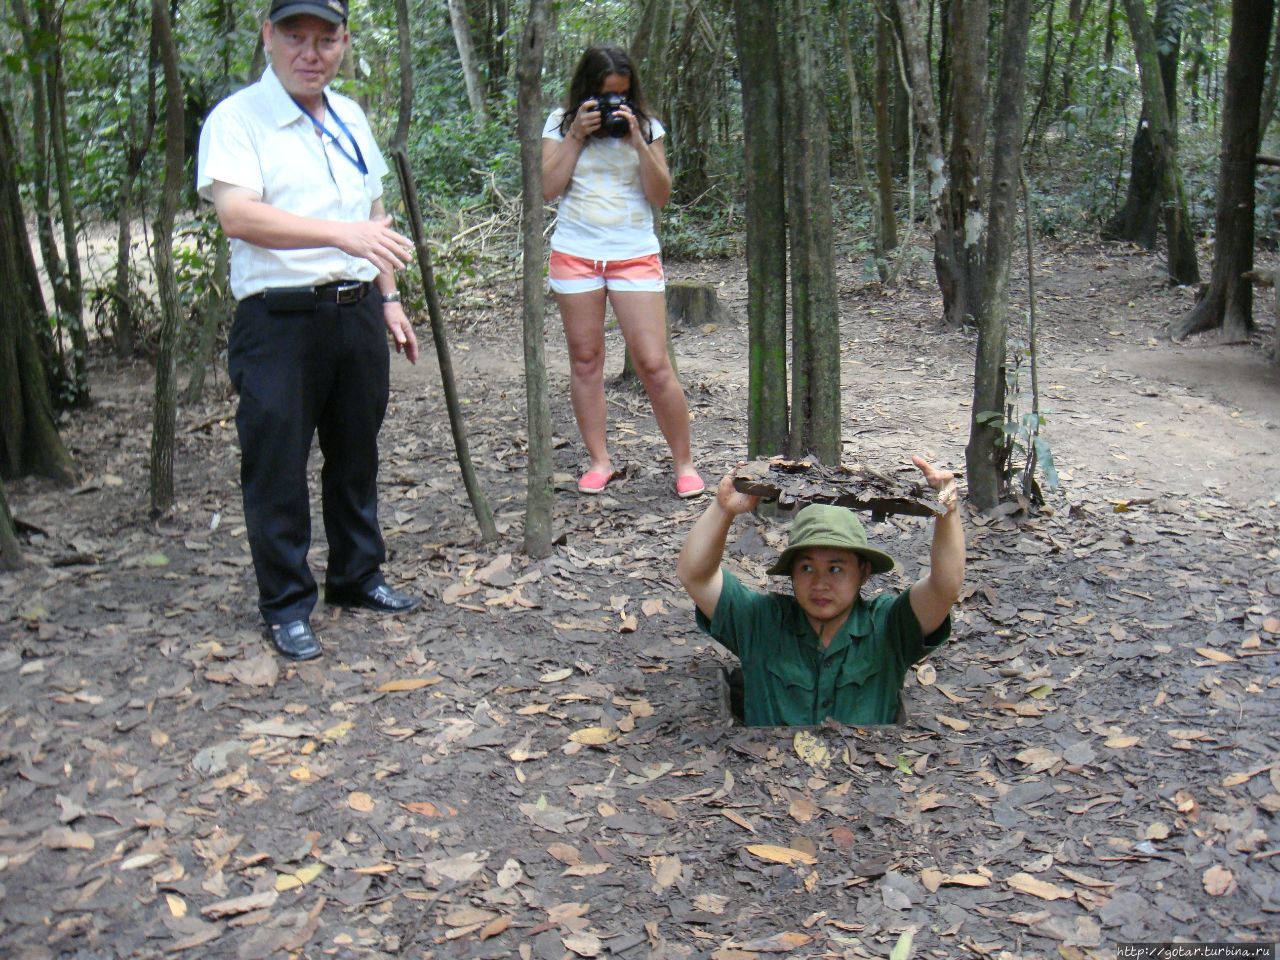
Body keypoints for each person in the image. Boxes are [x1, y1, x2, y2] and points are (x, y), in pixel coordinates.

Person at [196, 0, 421, 662]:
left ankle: (356, 577)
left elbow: (373, 212)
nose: (310, 52)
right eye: (295, 36)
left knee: (356, 453)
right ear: (268, 37)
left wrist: (390, 298)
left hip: (354, 311)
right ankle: (287, 604)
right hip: (279, 318)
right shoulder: (238, 119)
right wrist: (338, 233)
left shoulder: (349, 115)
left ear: (344, 43)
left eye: (326, 39)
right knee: (277, 465)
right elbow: (239, 216)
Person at [677, 458, 965, 726]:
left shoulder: (888, 627)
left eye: (836, 569)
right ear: (791, 573)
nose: (820, 584)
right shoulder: (761, 621)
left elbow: (944, 588)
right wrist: (722, 508)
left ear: (863, 572)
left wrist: (948, 513)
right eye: (806, 568)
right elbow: (696, 577)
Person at [541, 46, 704, 499]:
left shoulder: (647, 126)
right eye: (605, 96)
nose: (614, 104)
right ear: (587, 91)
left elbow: (661, 195)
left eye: (622, 96)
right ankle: (599, 460)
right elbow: (547, 189)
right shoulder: (560, 123)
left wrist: (638, 140)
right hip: (576, 251)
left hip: (633, 251)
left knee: (654, 363)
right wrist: (575, 135)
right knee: (587, 360)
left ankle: (684, 463)